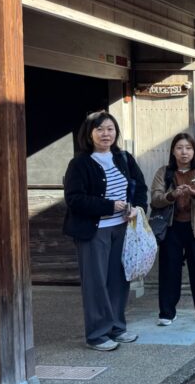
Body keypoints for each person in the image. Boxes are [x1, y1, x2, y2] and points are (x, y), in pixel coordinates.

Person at [62, 111, 148, 351]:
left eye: (110, 128)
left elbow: (140, 187)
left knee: (119, 280)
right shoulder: (80, 163)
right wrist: (108, 206)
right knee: (95, 282)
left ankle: (117, 328)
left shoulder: (123, 158)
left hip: (121, 228)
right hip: (94, 231)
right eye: (99, 129)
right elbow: (74, 199)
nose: (106, 134)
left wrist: (138, 208)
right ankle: (97, 334)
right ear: (89, 134)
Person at [150, 133, 195, 326]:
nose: (184, 152)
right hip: (172, 228)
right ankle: (167, 312)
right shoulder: (164, 172)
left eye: (188, 148)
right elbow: (155, 199)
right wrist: (171, 195)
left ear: (194, 151)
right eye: (180, 148)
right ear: (173, 151)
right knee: (168, 270)